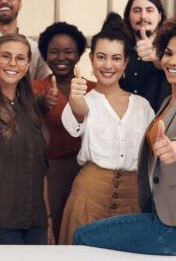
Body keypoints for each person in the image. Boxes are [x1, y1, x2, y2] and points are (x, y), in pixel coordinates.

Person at [73, 14, 176, 255]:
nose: (173, 61)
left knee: (82, 236)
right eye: (169, 53)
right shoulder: (168, 101)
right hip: (173, 216)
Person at [58, 13, 155, 245]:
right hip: (88, 198)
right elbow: (76, 118)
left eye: (116, 58)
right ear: (91, 60)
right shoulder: (83, 101)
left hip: (133, 199)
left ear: (126, 62)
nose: (108, 65)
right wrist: (76, 101)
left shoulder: (142, 106)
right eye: (101, 57)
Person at [0, 33, 54, 245]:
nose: (13, 63)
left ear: (27, 65)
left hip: (36, 221)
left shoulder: (30, 109)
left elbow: (41, 172)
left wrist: (48, 219)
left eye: (20, 58)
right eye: (5, 56)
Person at [32, 22, 96, 243]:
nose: (61, 57)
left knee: (81, 232)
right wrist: (40, 102)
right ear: (45, 55)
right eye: (54, 51)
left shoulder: (93, 88)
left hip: (88, 170)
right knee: (53, 231)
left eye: (69, 51)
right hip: (51, 172)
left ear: (79, 54)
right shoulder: (35, 87)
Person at [120, 0, 171, 112]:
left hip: (160, 125)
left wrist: (158, 57)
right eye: (137, 11)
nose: (143, 16)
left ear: (159, 16)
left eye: (149, 10)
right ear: (128, 17)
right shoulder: (120, 51)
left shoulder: (171, 49)